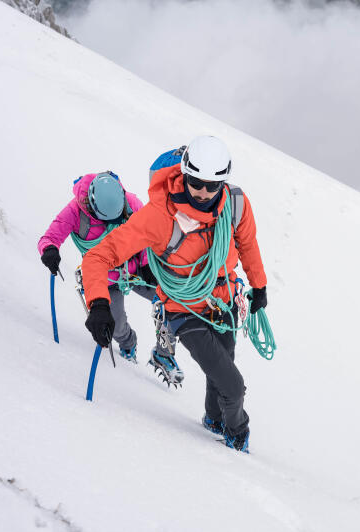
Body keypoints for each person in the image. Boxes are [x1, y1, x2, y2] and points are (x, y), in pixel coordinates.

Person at [80, 136, 268, 452]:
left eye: (212, 185)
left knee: (221, 368)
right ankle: (238, 437)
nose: (203, 192)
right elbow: (99, 257)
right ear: (184, 173)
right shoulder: (159, 216)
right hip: (183, 308)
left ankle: (213, 420)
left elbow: (247, 243)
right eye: (196, 182)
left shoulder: (235, 203)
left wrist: (259, 286)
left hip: (224, 301)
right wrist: (98, 302)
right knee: (234, 387)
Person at [37, 172, 185, 385]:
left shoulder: (129, 202)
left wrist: (146, 264)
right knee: (115, 324)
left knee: (169, 301)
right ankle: (128, 344)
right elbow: (50, 237)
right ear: (92, 207)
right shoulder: (74, 212)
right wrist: (49, 250)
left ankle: (164, 353)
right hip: (103, 277)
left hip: (135, 270)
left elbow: (148, 233)